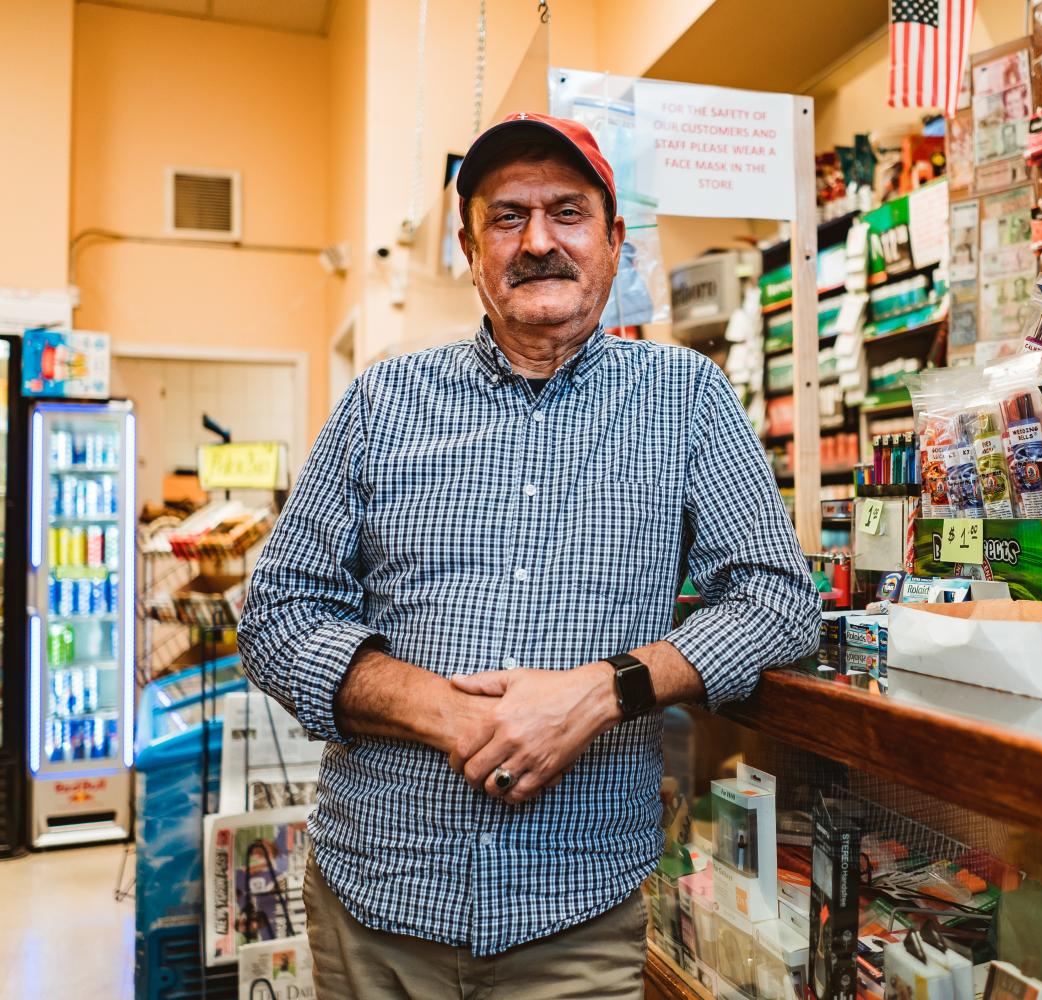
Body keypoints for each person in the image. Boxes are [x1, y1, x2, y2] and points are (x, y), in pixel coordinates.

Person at [238, 112, 821, 999]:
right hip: (374, 907)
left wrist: (600, 691)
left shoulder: (689, 401)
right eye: (507, 217)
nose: (538, 241)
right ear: (472, 250)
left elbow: (779, 602)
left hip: (575, 921)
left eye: (567, 212)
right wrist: (438, 709)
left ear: (615, 241)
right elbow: (280, 613)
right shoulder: (383, 403)